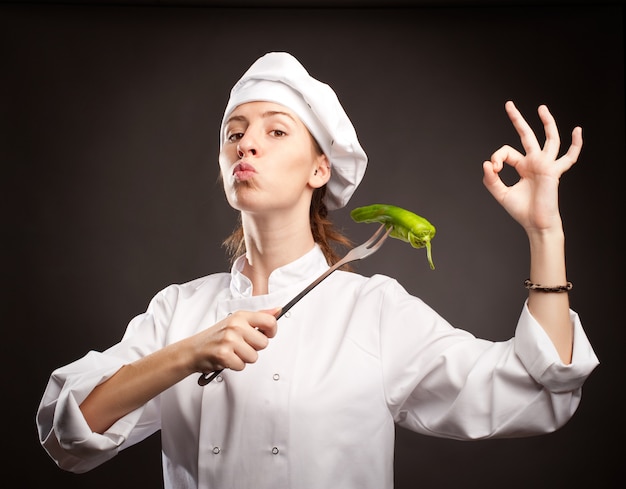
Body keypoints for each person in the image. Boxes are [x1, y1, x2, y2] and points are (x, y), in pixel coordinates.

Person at [37, 52, 599, 489]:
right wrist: (188, 353)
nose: (246, 144)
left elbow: (532, 389)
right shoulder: (179, 311)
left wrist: (545, 232)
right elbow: (70, 432)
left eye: (275, 130)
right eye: (234, 132)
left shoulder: (373, 309)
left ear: (319, 168)